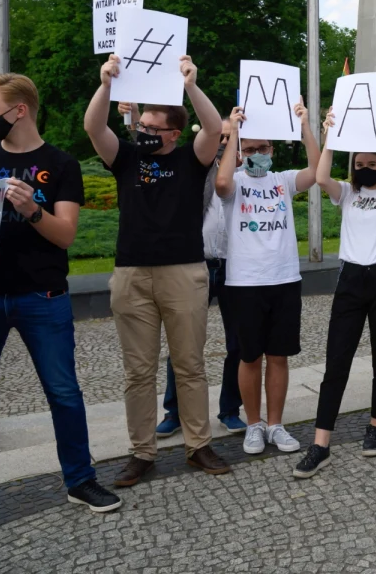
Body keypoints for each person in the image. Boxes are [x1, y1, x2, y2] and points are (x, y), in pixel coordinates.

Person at [0, 74, 121, 545]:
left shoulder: (60, 164)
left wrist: (33, 209)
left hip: (42, 297)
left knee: (64, 393)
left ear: (20, 111)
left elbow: (66, 235)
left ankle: (80, 480)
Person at [84, 54, 231, 486]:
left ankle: (198, 445)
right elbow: (95, 128)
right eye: (142, 126)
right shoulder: (127, 158)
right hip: (132, 273)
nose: (144, 132)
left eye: (152, 128)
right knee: (138, 370)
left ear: (173, 132)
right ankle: (141, 452)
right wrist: (106, 84)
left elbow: (212, 127)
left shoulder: (191, 158)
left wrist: (190, 84)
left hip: (184, 272)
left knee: (190, 365)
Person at [115, 103, 247, 440]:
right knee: (182, 348)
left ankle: (230, 409)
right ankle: (174, 412)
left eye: (229, 137)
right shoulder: (196, 164)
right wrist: (129, 118)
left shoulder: (248, 174)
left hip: (235, 266)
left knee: (236, 344)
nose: (222, 141)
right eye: (220, 136)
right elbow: (150, 151)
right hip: (198, 261)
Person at [295, 115, 376, 476]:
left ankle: (375, 426)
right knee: (336, 362)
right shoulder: (348, 193)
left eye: (370, 165)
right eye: (359, 164)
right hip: (351, 279)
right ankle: (320, 443)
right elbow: (322, 178)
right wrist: (329, 137)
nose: (364, 169)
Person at [215, 103, 319, 455]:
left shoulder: (283, 180)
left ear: (273, 150)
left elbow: (318, 170)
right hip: (244, 282)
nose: (257, 154)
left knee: (278, 356)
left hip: (284, 279)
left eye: (263, 148)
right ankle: (254, 425)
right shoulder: (236, 183)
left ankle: (275, 425)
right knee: (250, 357)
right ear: (242, 151)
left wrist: (305, 126)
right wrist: (233, 135)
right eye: (251, 149)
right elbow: (222, 182)